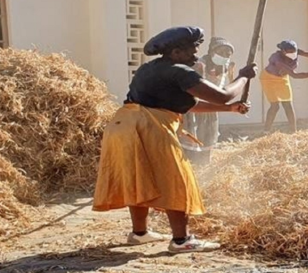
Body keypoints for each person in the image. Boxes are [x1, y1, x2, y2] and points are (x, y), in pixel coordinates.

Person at [93, 26, 257, 253]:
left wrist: (231, 109)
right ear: (176, 52)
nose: (195, 55)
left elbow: (188, 105)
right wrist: (243, 77)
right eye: (191, 50)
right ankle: (182, 240)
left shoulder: (148, 69)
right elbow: (222, 95)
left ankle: (139, 233)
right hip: (150, 127)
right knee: (176, 180)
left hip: (123, 126)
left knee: (139, 177)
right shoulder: (180, 71)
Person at [182, 37, 236, 166]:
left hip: (211, 109)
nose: (224, 56)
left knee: (208, 139)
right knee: (192, 140)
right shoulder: (200, 65)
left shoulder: (227, 66)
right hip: (195, 107)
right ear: (212, 52)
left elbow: (229, 86)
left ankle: (203, 166)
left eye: (228, 54)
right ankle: (190, 166)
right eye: (221, 53)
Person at [261, 40, 308, 133]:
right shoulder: (277, 59)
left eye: (294, 51)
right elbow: (295, 75)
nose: (293, 53)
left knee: (288, 104)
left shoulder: (296, 51)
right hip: (269, 79)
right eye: (289, 52)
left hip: (282, 78)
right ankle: (266, 130)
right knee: (275, 106)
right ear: (283, 51)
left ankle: (293, 131)